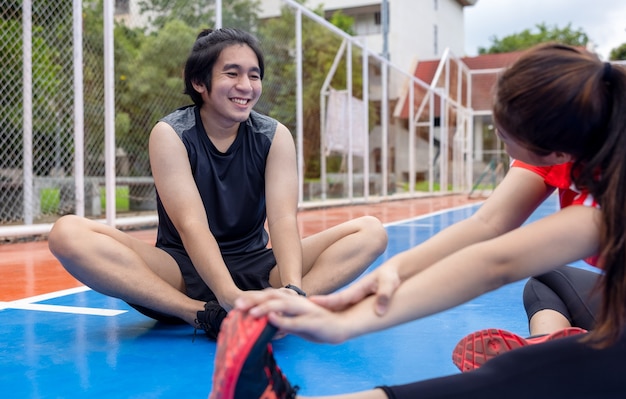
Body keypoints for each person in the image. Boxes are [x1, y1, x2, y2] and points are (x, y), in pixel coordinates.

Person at [208, 42, 626, 398]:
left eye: (504, 138)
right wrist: (391, 272)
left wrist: (343, 323)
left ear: (557, 154)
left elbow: (496, 263)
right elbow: (489, 227)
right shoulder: (588, 129)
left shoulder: (606, 208)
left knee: (512, 378)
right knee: (547, 279)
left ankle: (550, 359)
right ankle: (549, 343)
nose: (505, 150)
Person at [47, 28, 387, 340]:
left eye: (254, 75)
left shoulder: (274, 135)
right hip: (182, 272)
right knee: (67, 234)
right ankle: (199, 315)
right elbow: (192, 224)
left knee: (371, 231)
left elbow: (283, 219)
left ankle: (287, 311)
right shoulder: (171, 134)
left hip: (256, 266)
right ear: (199, 82)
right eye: (232, 73)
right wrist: (227, 298)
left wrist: (293, 289)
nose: (246, 85)